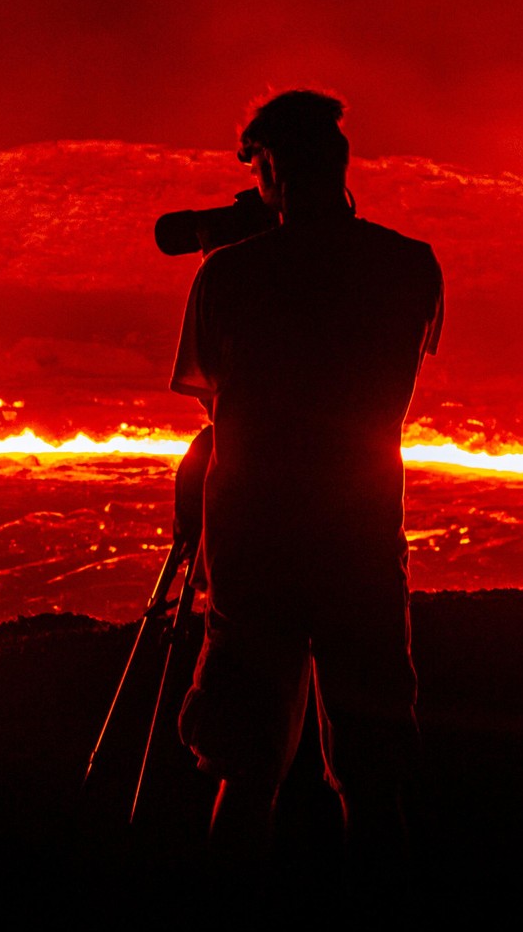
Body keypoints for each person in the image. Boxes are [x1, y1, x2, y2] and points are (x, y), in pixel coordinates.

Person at [170, 89, 443, 866]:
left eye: (257, 166)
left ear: (275, 170)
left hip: (257, 540)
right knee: (373, 771)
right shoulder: (409, 265)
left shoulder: (230, 275)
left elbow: (212, 391)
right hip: (359, 532)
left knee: (244, 765)